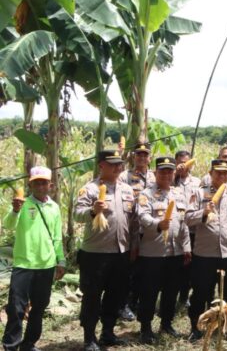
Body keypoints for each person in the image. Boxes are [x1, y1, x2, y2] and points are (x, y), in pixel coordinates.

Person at [74, 150, 138, 351]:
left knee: (115, 295)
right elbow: (77, 214)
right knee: (92, 296)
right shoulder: (90, 189)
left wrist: (134, 245)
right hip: (95, 254)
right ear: (101, 165)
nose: (118, 167)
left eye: (120, 164)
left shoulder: (127, 190)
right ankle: (89, 338)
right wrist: (93, 210)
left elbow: (133, 220)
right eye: (113, 164)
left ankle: (108, 333)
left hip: (121, 253)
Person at [1, 167, 65, 351]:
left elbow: (57, 237)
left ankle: (29, 343)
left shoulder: (54, 208)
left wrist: (60, 261)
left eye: (44, 182)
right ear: (30, 184)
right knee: (16, 308)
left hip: (46, 265)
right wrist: (14, 210)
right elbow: (8, 225)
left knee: (39, 307)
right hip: (24, 264)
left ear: (50, 185)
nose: (40, 186)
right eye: (36, 182)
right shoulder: (22, 204)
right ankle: (11, 345)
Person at [186, 160, 227, 341]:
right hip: (204, 254)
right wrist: (203, 213)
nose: (222, 176)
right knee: (201, 292)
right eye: (218, 173)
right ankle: (196, 327)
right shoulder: (199, 193)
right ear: (210, 172)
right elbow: (188, 219)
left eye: (225, 173)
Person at [136, 157, 191, 343]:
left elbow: (184, 224)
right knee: (149, 292)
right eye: (163, 171)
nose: (167, 175)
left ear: (174, 173)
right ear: (155, 173)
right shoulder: (146, 194)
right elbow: (142, 217)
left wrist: (187, 247)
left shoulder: (179, 194)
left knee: (171, 291)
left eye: (170, 171)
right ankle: (145, 327)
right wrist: (158, 224)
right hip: (153, 253)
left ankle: (166, 323)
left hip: (174, 253)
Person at [118, 141, 155, 322]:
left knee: (143, 268)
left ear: (150, 157)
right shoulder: (125, 176)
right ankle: (124, 305)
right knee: (128, 267)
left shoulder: (155, 177)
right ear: (134, 156)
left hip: (148, 229)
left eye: (145, 154)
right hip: (130, 227)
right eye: (138, 154)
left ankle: (136, 302)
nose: (142, 157)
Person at [173, 150, 201, 308]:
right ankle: (169, 296)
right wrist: (175, 175)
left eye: (186, 161)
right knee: (174, 265)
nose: (183, 164)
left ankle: (184, 296)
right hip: (173, 229)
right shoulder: (170, 178)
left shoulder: (197, 182)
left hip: (191, 229)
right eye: (180, 161)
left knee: (189, 265)